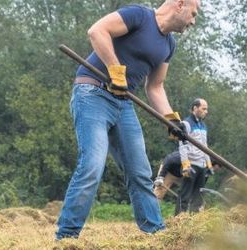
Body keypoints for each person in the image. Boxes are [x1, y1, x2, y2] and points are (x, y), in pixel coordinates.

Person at [56, 0, 200, 240]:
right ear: (179, 4)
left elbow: (155, 86)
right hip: (93, 92)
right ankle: (67, 238)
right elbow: (97, 31)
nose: (193, 21)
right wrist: (115, 68)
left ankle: (155, 234)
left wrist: (170, 118)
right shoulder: (139, 16)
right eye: (193, 14)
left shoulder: (169, 45)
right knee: (92, 164)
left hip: (123, 103)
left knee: (140, 172)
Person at [154, 98, 214, 215]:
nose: (206, 111)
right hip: (190, 164)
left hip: (201, 164)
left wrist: (209, 164)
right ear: (195, 108)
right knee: (184, 194)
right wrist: (186, 164)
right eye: (204, 109)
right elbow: (182, 146)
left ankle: (194, 219)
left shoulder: (203, 125)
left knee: (198, 195)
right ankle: (179, 218)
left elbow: (205, 146)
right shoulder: (186, 124)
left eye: (207, 109)